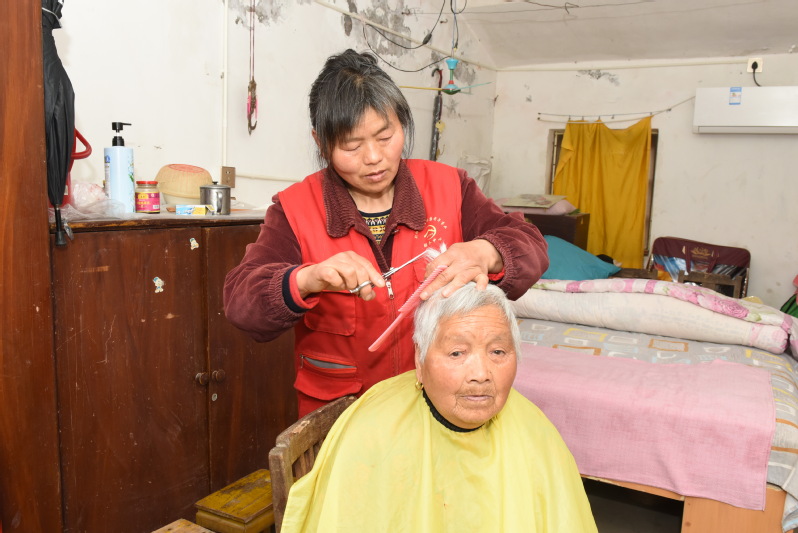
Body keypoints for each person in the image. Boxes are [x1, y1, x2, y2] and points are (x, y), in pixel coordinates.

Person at [224, 49, 549, 417]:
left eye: (385, 136)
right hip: (342, 414)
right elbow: (241, 304)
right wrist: (308, 278)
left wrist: (484, 252)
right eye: (351, 145)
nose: (374, 157)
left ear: (402, 123)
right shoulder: (296, 208)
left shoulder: (449, 187)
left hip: (436, 407)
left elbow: (531, 244)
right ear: (321, 142)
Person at [280, 283, 597, 532]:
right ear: (420, 360)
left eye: (498, 352)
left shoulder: (536, 433)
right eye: (457, 353)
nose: (481, 374)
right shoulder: (373, 431)